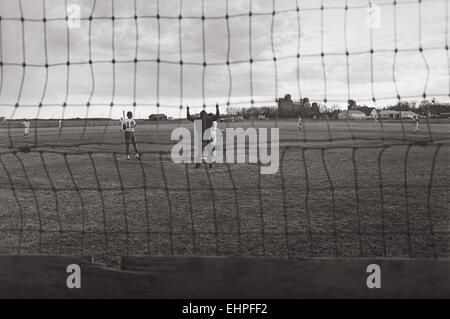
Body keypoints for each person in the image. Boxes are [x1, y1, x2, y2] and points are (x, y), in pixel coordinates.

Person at [187, 104, 220, 168]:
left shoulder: (198, 119)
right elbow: (217, 116)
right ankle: (211, 164)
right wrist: (217, 108)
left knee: (199, 151)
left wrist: (188, 110)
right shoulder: (210, 119)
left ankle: (198, 164)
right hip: (208, 137)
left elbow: (189, 117)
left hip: (201, 138)